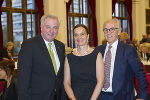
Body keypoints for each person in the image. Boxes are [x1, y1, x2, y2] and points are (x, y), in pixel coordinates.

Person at [95, 18, 148, 100]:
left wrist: (142, 96)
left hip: (122, 96)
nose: (108, 32)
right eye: (105, 30)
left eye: (112, 29)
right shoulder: (98, 50)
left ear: (119, 31)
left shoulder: (128, 50)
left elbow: (140, 74)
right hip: (101, 96)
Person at [18, 15, 66, 100]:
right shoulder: (29, 45)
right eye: (48, 27)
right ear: (41, 27)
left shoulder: (61, 46)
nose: (51, 31)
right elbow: (23, 80)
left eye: (55, 27)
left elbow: (60, 76)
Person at [64, 24, 104, 100]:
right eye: (76, 35)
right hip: (74, 97)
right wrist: (73, 98)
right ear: (74, 37)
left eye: (82, 34)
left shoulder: (97, 55)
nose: (79, 37)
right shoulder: (69, 58)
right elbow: (66, 83)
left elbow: (100, 81)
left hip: (94, 97)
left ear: (88, 36)